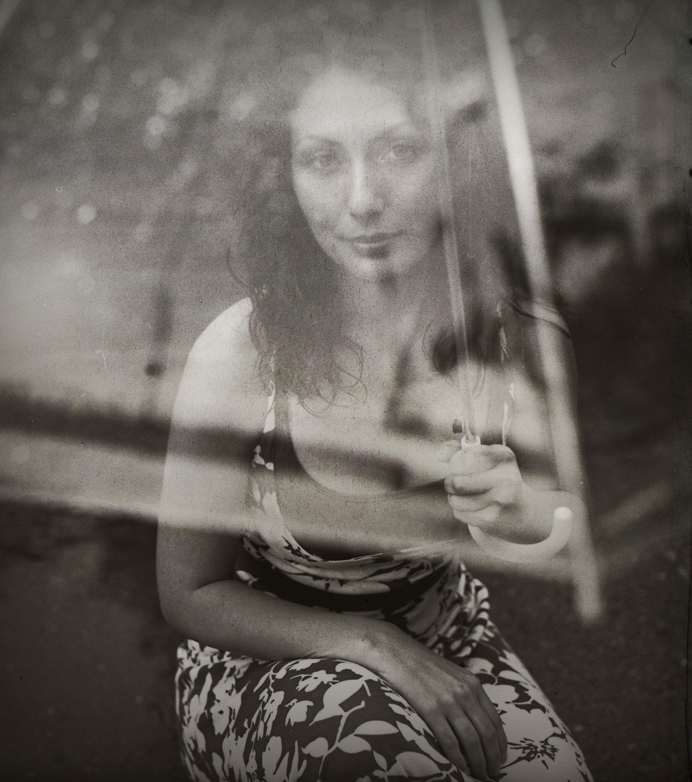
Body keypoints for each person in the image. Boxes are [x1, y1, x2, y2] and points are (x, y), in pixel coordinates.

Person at [156, 9, 593, 781]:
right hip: (263, 658)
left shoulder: (519, 344)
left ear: (458, 159)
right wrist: (370, 645)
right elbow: (191, 591)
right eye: (322, 159)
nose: (363, 200)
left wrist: (518, 511)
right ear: (284, 178)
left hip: (446, 643)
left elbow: (562, 519)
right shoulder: (241, 356)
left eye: (400, 150)